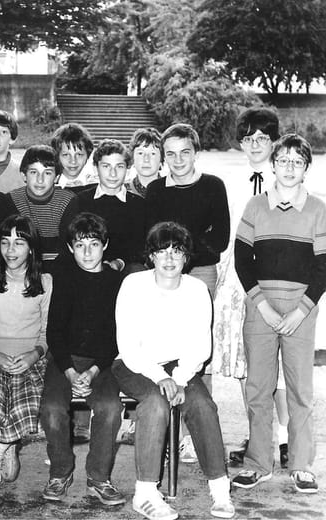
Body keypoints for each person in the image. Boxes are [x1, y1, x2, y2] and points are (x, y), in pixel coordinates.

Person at [232, 134, 326, 494]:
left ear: (306, 168)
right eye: (283, 160)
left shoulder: (317, 209)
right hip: (260, 308)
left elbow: (323, 269)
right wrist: (261, 303)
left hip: (300, 311)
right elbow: (242, 260)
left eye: (297, 161)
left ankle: (301, 465)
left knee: (299, 390)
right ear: (273, 165)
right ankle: (258, 463)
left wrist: (300, 312)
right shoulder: (255, 206)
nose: (290, 167)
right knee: (258, 388)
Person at [113, 221, 235, 520]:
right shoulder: (133, 285)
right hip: (134, 363)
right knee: (155, 403)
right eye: (161, 251)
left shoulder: (196, 289)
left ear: (186, 257)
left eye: (176, 251)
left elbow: (200, 346)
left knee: (203, 404)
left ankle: (220, 488)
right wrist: (162, 378)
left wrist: (178, 379)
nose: (169, 258)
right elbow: (128, 346)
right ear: (150, 256)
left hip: (179, 366)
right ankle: (145, 494)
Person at [146, 123, 230, 462]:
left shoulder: (213, 186)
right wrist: (175, 257)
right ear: (163, 157)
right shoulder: (156, 190)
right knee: (165, 344)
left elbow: (219, 238)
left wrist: (182, 255)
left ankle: (198, 433)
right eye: (171, 154)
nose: (178, 160)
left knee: (197, 349)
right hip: (163, 275)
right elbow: (152, 237)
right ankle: (171, 432)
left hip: (200, 273)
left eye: (185, 152)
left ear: (196, 153)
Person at [212, 107, 290, 468]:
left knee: (277, 363)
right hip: (237, 278)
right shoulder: (230, 182)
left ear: (274, 141)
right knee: (247, 363)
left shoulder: (287, 178)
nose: (255, 144)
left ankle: (286, 437)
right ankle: (258, 436)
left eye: (262, 138)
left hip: (276, 276)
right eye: (247, 138)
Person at [40, 212, 125, 505]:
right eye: (80, 245)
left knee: (110, 408)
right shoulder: (64, 278)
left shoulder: (116, 281)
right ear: (70, 248)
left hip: (102, 362)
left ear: (105, 245)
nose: (87, 252)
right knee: (52, 408)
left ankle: (98, 477)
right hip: (65, 360)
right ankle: (60, 472)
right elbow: (54, 332)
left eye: (94, 244)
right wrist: (69, 371)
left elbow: (115, 336)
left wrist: (92, 371)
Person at [0, 215, 52, 485]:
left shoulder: (45, 282)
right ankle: (2, 445)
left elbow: (47, 333)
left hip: (30, 358)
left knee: (23, 396)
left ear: (31, 248)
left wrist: (34, 355)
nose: (10, 250)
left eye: (19, 243)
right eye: (5, 242)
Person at [76, 138, 147, 273]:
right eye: (106, 166)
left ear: (127, 169)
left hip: (125, 267)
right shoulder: (81, 201)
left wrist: (119, 263)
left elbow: (141, 247)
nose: (113, 173)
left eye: (119, 166)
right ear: (96, 168)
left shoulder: (138, 205)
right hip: (86, 265)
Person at [5, 145, 79, 266]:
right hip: (23, 263)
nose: (40, 180)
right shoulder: (12, 200)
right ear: (24, 175)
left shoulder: (67, 201)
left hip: (59, 263)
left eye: (47, 173)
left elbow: (68, 245)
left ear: (56, 177)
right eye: (34, 172)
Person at [51, 123, 98, 192]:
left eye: (79, 154)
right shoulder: (47, 185)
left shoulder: (98, 186)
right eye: (66, 155)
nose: (73, 161)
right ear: (57, 156)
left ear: (88, 156)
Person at [125, 128, 164, 198]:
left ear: (161, 159)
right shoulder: (122, 192)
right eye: (140, 153)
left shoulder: (172, 192)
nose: (146, 159)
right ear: (133, 158)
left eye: (153, 153)